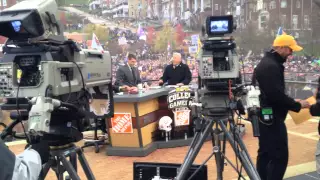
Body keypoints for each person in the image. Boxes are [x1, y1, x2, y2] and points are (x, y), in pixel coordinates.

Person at [254, 34, 310, 180]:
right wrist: (297, 104)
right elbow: (275, 96)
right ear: (281, 48)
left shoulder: (268, 63)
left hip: (266, 115)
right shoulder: (270, 66)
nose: (291, 53)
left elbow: (274, 93)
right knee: (279, 155)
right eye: (290, 49)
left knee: (265, 152)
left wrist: (291, 101)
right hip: (271, 118)